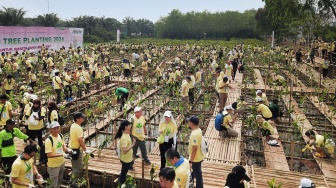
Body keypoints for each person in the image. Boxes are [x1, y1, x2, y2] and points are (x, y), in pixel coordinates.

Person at [46, 121, 72, 188]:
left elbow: (63, 147)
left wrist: (68, 150)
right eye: (54, 129)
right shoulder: (49, 140)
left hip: (61, 163)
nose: (56, 130)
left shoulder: (60, 136)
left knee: (60, 181)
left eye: (57, 128)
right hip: (53, 166)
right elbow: (49, 155)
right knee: (53, 184)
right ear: (50, 129)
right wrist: (61, 155)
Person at [70, 112, 91, 184]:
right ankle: (73, 183)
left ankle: (72, 180)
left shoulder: (73, 125)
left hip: (72, 148)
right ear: (77, 119)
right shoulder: (78, 128)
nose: (83, 118)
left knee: (74, 166)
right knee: (78, 168)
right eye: (81, 117)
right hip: (77, 149)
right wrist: (85, 149)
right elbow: (80, 140)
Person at [115, 120, 135, 186]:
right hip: (125, 159)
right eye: (129, 125)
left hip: (127, 158)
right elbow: (124, 150)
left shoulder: (127, 134)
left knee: (124, 172)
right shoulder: (124, 138)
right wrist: (133, 145)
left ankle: (120, 184)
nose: (130, 126)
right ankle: (120, 185)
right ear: (126, 127)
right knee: (123, 175)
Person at [187, 115, 204, 188]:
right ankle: (191, 185)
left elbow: (194, 149)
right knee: (193, 173)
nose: (188, 123)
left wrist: (191, 161)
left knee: (198, 176)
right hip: (198, 156)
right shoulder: (198, 130)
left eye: (189, 122)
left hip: (195, 159)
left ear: (191, 123)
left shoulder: (194, 134)